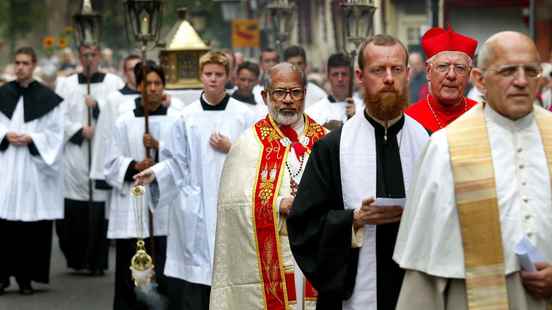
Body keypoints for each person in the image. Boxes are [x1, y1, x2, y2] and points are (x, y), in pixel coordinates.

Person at [394, 31, 552, 309]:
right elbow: (423, 271)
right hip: (471, 296)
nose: (521, 81)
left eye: (531, 71)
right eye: (507, 71)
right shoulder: (445, 147)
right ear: (480, 80)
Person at [287, 34, 429, 310]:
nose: (389, 78)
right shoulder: (332, 147)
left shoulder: (428, 142)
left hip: (415, 290)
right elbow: (303, 226)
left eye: (396, 69)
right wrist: (353, 219)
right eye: (378, 70)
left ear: (408, 74)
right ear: (360, 76)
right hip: (353, 295)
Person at [133, 51, 254, 310]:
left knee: (231, 272)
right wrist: (154, 173)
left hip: (231, 203)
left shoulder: (244, 115)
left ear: (228, 77)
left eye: (218, 75)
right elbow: (176, 161)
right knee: (197, 281)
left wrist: (231, 148)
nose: (213, 80)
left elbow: (257, 157)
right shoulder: (185, 117)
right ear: (201, 76)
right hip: (196, 205)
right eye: (208, 74)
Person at [208, 62, 326, 310]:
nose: (287, 100)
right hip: (276, 255)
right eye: (279, 92)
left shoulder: (325, 140)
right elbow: (233, 205)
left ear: (305, 94)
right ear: (265, 96)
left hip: (318, 252)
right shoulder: (249, 143)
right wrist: (277, 204)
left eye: (295, 92)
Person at [105, 61, 180, 310]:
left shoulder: (176, 120)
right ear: (139, 87)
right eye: (148, 83)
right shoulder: (124, 122)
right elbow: (110, 164)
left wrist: (159, 148)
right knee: (132, 267)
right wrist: (135, 165)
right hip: (133, 204)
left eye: (158, 83)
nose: (154, 88)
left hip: (164, 208)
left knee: (164, 266)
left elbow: (184, 161)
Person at [0, 47, 64, 295]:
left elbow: (55, 134)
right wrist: (5, 135)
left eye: (25, 63)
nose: (20, 67)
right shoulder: (3, 94)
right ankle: (2, 277)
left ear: (34, 65)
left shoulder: (47, 99)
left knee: (28, 226)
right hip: (6, 168)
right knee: (4, 224)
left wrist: (32, 138)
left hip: (31, 170)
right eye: (17, 63)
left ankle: (26, 278)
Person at [55, 43, 124, 275]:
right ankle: (76, 258)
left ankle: (97, 260)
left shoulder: (113, 83)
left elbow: (121, 112)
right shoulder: (66, 84)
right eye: (84, 55)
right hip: (75, 153)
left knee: (99, 204)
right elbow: (57, 117)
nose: (89, 59)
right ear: (79, 57)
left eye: (93, 55)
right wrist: (78, 130)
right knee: (74, 203)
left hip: (101, 151)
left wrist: (98, 108)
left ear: (99, 57)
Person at [405, 27, 479, 134]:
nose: (451, 75)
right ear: (429, 72)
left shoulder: (481, 116)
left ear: (468, 75)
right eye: (443, 66)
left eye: (460, 68)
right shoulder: (409, 119)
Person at [90, 54, 141, 193]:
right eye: (132, 69)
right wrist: (101, 171)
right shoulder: (115, 99)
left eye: (140, 69)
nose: (137, 73)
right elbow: (105, 135)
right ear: (124, 72)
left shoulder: (155, 97)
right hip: (123, 167)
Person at [306, 53, 362, 130]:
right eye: (335, 74)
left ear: (351, 76)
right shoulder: (313, 113)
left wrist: (356, 118)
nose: (340, 79)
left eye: (344, 74)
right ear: (328, 77)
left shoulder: (363, 109)